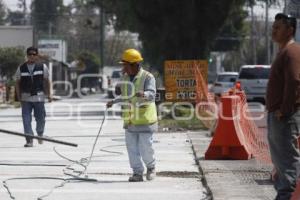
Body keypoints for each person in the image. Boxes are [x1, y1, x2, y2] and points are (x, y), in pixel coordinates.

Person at [106, 49, 157, 182]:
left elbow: (152, 94)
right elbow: (125, 96)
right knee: (132, 149)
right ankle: (137, 173)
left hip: (145, 120)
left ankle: (151, 168)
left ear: (135, 64)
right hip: (130, 121)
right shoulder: (124, 78)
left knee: (146, 148)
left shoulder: (148, 77)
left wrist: (144, 94)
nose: (124, 68)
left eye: (125, 65)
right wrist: (114, 101)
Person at [266, 13, 300, 200]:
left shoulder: (292, 52)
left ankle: (286, 195)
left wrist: (285, 110)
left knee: (286, 157)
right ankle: (283, 192)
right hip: (277, 114)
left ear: (290, 30)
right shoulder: (283, 51)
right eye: (273, 27)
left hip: (285, 116)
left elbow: (295, 81)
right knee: (279, 157)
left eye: (278, 27)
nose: (274, 30)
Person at [15, 46, 52, 147]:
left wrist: (49, 94)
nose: (31, 56)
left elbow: (47, 81)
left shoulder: (42, 67)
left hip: (39, 98)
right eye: (29, 54)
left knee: (41, 118)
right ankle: (29, 140)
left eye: (34, 54)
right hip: (25, 98)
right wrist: (18, 96)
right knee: (26, 120)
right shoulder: (21, 68)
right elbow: (17, 83)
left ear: (37, 55)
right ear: (27, 56)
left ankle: (40, 134)